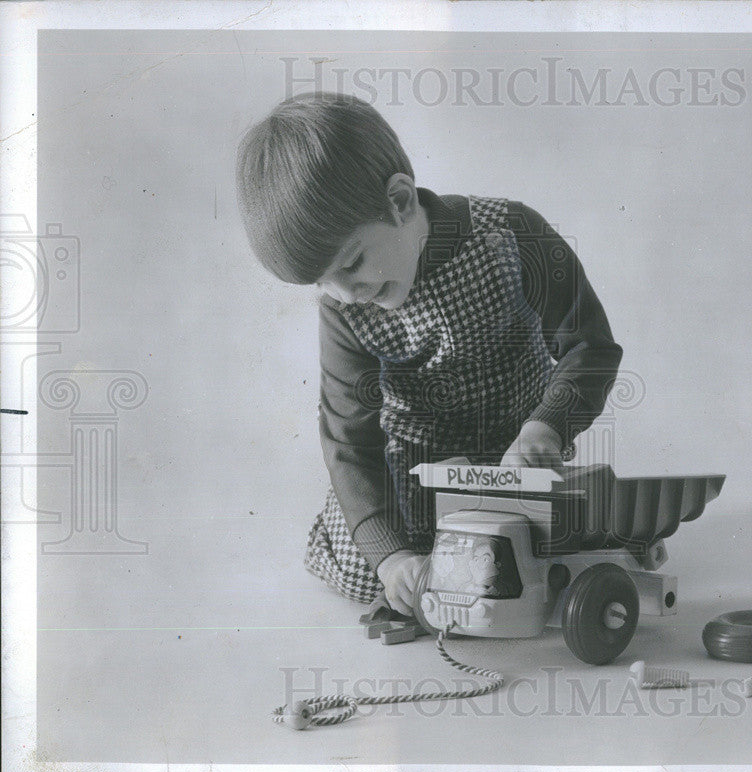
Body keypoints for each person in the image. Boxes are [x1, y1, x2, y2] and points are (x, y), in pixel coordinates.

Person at [236, 92, 622, 615]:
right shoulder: (344, 312)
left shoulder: (510, 234)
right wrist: (392, 558)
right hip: (417, 471)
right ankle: (427, 559)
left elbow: (590, 347)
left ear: (398, 201)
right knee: (365, 569)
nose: (348, 293)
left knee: (562, 542)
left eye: (352, 263)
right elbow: (350, 443)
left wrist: (546, 427)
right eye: (325, 283)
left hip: (515, 456)